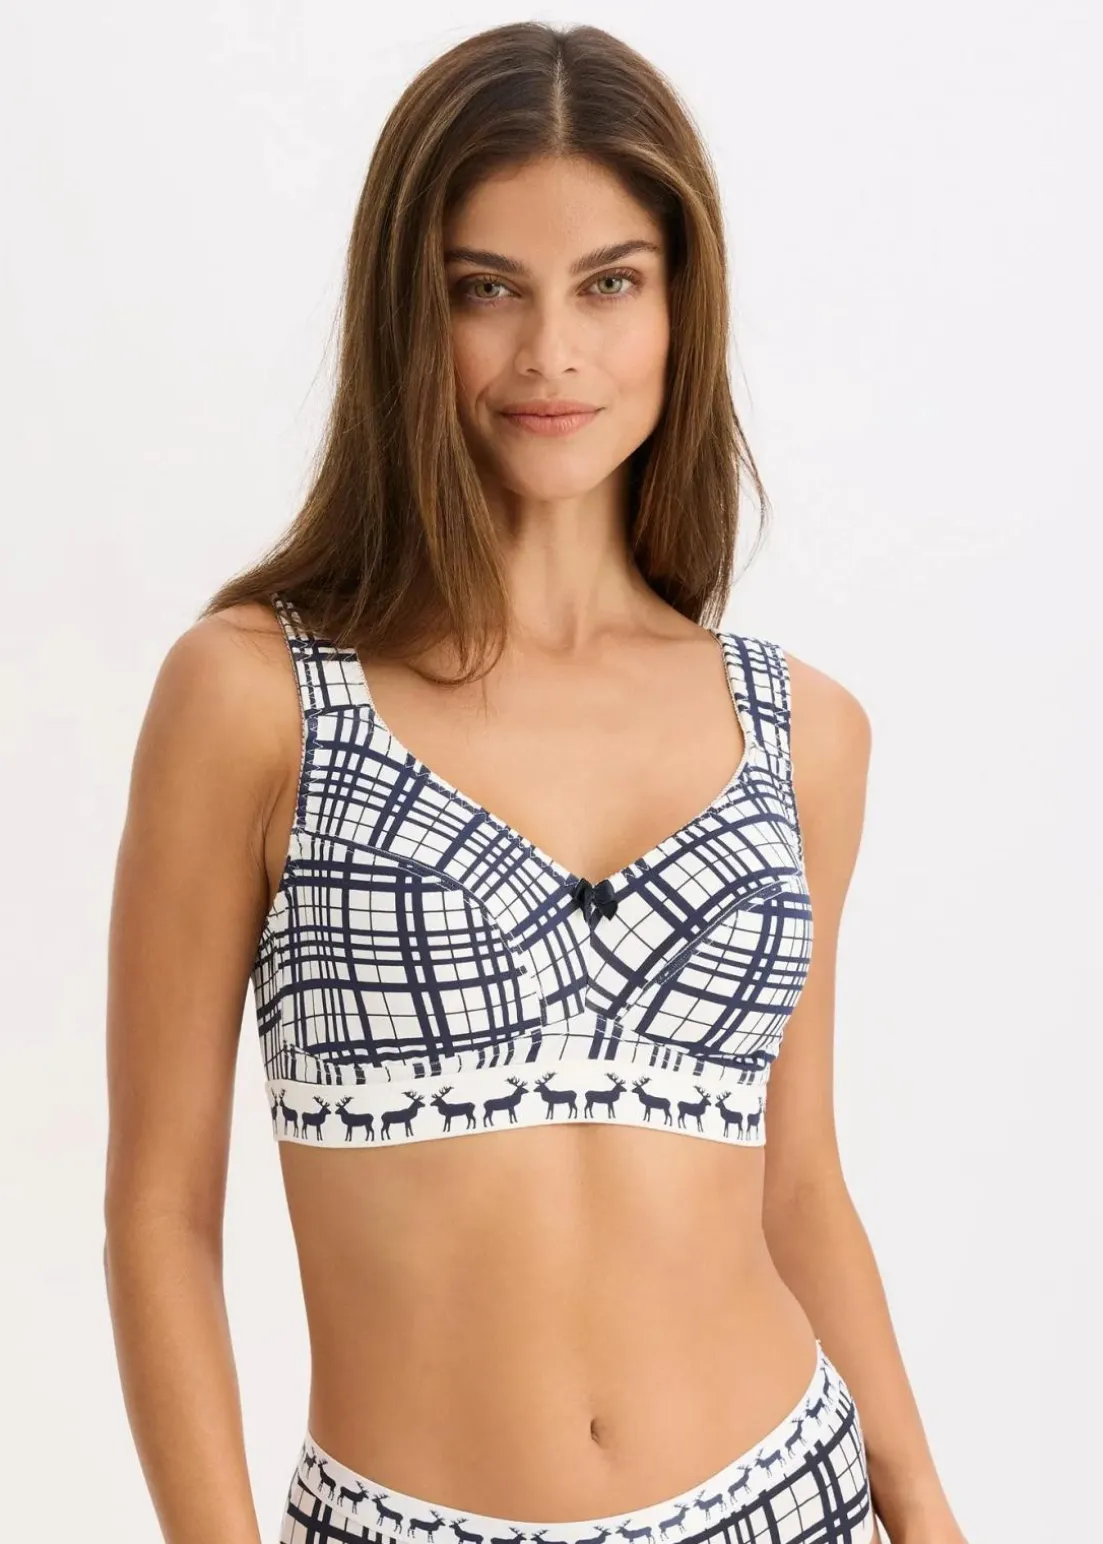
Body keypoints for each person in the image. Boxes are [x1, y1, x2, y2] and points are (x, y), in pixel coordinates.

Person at [103, 21, 967, 1544]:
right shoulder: (254, 698)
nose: (551, 352)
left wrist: (925, 1511)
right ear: (406, 313)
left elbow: (798, 1188)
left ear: (682, 306)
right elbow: (158, 1218)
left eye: (609, 284)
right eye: (485, 288)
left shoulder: (802, 734)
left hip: (787, 1501)